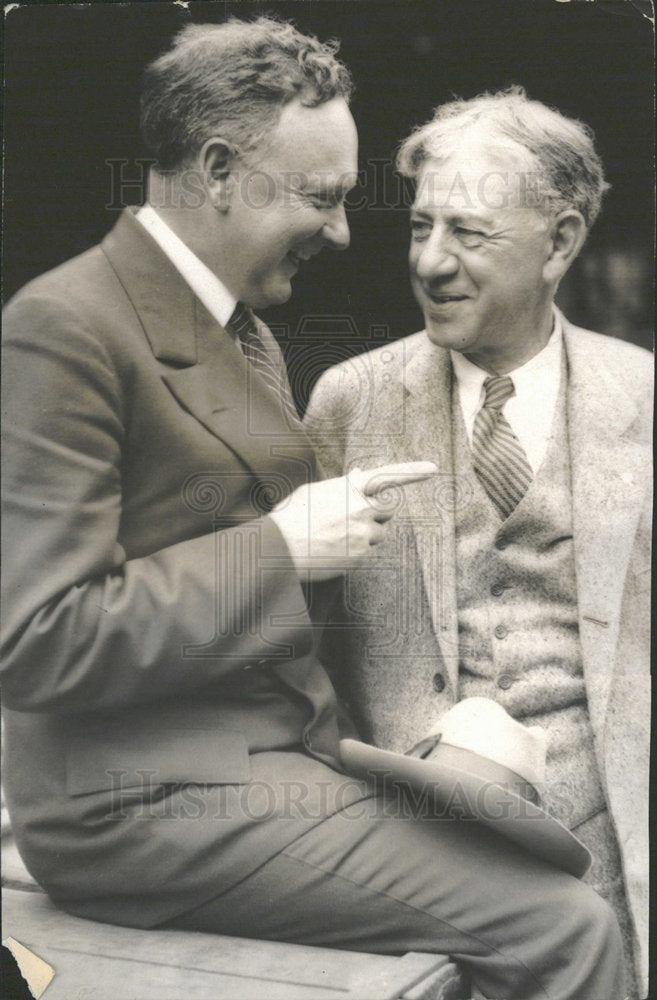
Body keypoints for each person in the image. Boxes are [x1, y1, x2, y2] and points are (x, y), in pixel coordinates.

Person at [2, 21, 624, 998]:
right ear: (218, 170)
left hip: (264, 765)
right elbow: (36, 640)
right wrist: (279, 550)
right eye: (324, 199)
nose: (344, 231)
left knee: (548, 850)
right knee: (566, 927)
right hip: (144, 806)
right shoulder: (61, 327)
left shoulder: (238, 330)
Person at [305, 86, 651, 998]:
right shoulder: (350, 400)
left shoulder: (643, 402)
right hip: (414, 852)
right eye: (420, 227)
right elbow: (300, 651)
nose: (430, 261)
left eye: (468, 233)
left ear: (562, 242)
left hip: (611, 843)